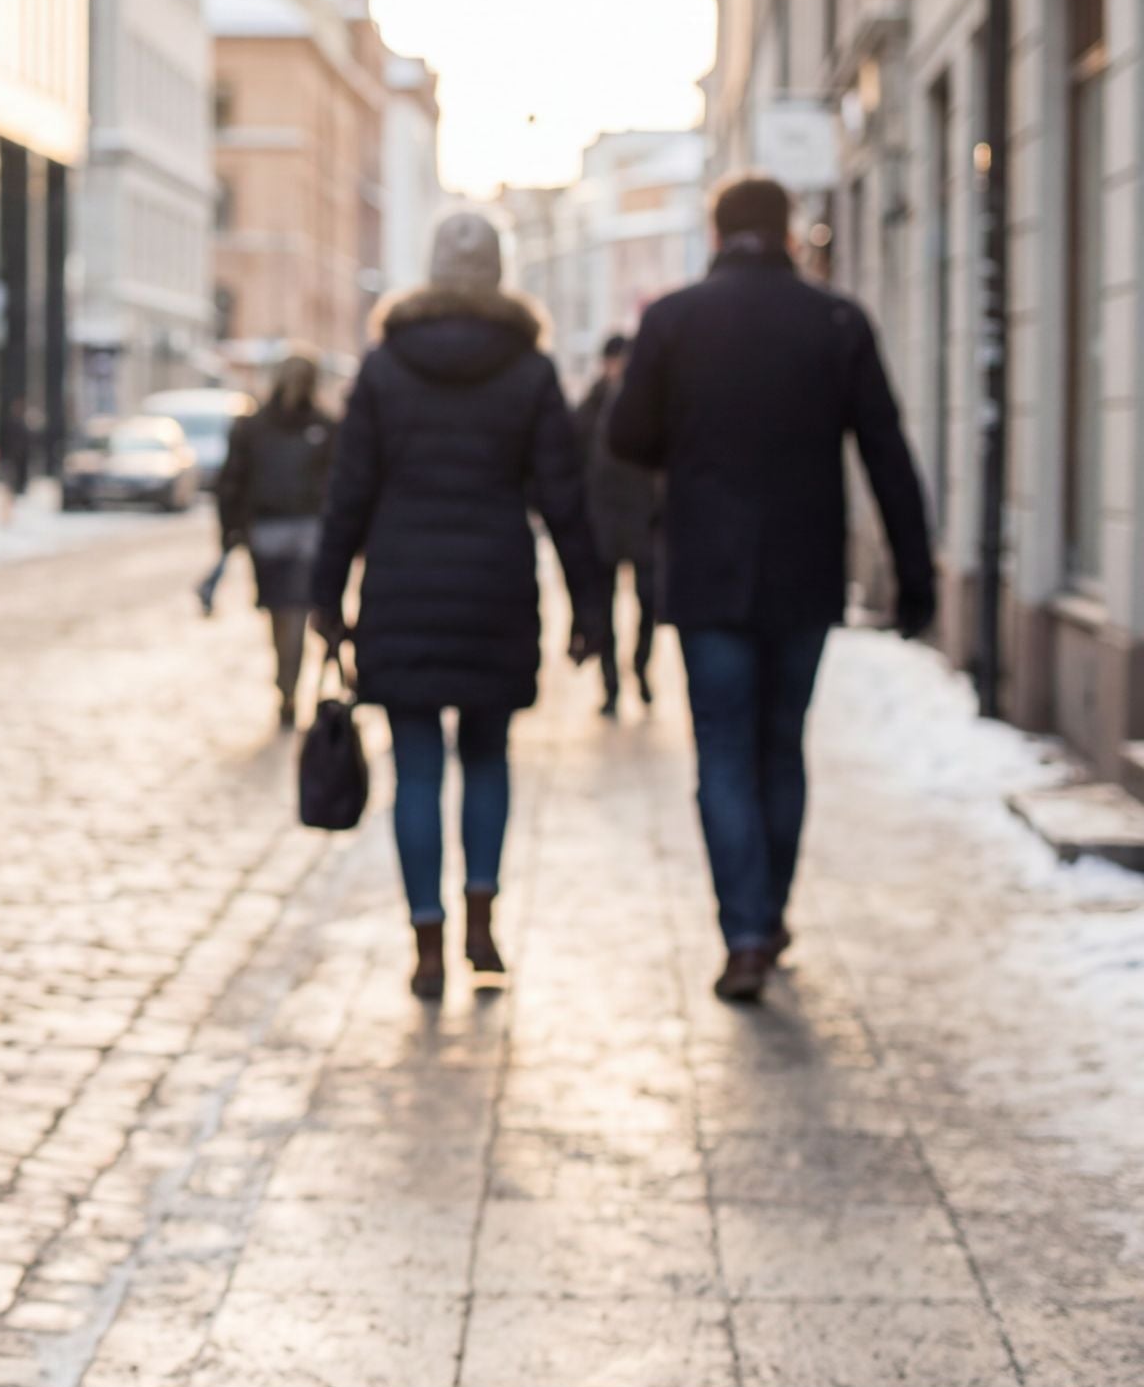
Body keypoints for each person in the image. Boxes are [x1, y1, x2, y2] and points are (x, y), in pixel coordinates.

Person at [609, 175, 934, 1003]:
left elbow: (628, 436)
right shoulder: (834, 320)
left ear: (717, 234)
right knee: (780, 747)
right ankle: (771, 911)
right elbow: (886, 453)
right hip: (804, 569)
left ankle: (746, 932)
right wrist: (915, 574)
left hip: (708, 569)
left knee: (723, 752)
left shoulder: (673, 320)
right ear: (788, 233)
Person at [314, 211, 608, 999]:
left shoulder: (385, 366)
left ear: (435, 271)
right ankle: (481, 917)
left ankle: (427, 940)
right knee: (486, 757)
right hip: (495, 588)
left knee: (416, 769)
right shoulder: (529, 369)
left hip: (402, 587)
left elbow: (347, 495)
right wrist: (591, 605)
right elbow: (564, 498)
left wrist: (325, 595)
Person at [217, 357, 336, 729]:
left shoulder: (253, 427)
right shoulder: (324, 427)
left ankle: (286, 684)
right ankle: (288, 683)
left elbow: (231, 481)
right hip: (303, 530)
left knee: (283, 612)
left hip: (273, 531)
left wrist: (231, 528)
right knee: (294, 610)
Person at [574, 332, 666, 716]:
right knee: (605, 608)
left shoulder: (653, 408)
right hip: (603, 523)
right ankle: (610, 685)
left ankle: (641, 669)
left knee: (648, 605)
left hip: (644, 522)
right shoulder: (590, 408)